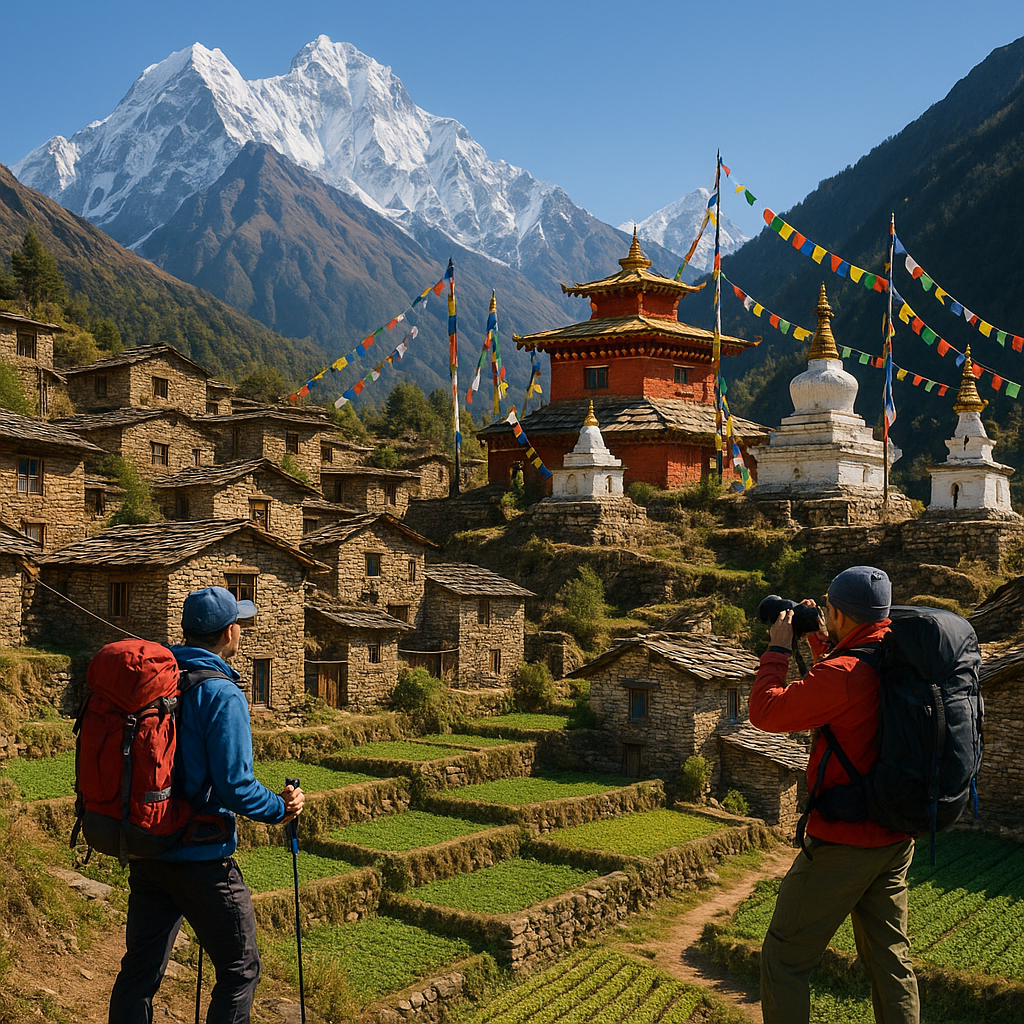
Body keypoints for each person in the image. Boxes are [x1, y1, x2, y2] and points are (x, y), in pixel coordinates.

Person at [109, 586, 305, 1024]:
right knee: (240, 970)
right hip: (200, 856)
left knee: (139, 971)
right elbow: (236, 787)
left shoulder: (159, 680)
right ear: (230, 633)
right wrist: (282, 808)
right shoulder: (223, 693)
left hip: (148, 846)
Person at [749, 566, 919, 1024]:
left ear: (840, 613)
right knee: (890, 961)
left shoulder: (843, 673)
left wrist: (779, 648)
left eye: (828, 608)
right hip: (897, 833)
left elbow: (766, 712)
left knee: (783, 959)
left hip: (846, 839)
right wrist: (820, 639)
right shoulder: (897, 652)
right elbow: (852, 681)